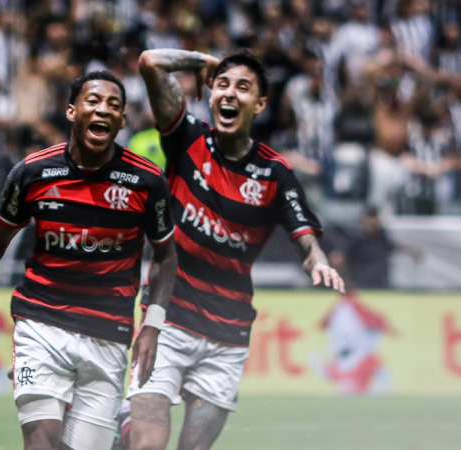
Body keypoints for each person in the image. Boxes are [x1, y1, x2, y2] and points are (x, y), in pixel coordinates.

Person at [0, 71, 177, 450]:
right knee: (41, 443)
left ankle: (120, 430)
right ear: (71, 111)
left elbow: (165, 254)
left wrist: (153, 324)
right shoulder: (33, 172)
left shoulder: (147, 181)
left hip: (109, 333)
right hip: (41, 324)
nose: (103, 110)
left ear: (121, 122)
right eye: (93, 101)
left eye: (114, 106)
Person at [125, 48, 345, 450]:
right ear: (210, 94)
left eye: (243, 88)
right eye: (222, 85)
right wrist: (205, 63)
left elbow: (303, 232)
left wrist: (318, 260)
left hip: (226, 338)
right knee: (146, 444)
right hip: (167, 321)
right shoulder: (186, 138)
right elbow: (150, 62)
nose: (229, 94)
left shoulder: (275, 172)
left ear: (260, 104)